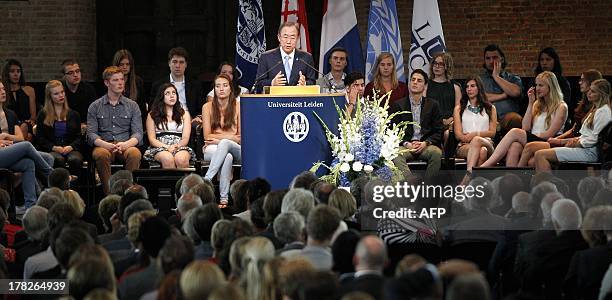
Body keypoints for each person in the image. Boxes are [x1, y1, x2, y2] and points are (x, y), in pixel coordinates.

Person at [481, 71, 567, 167]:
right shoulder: (537, 104)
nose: (537, 88)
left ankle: (486, 165)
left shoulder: (561, 106)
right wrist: (530, 103)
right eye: (536, 85)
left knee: (515, 132)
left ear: (550, 87)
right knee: (514, 146)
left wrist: (528, 135)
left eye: (541, 85)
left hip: (547, 142)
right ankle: (512, 179)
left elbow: (549, 134)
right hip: (534, 139)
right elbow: (525, 127)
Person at [87, 66, 143, 195]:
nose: (120, 83)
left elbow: (138, 133)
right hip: (104, 144)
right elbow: (91, 134)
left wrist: (125, 144)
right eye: (116, 80)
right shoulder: (95, 106)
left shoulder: (132, 105)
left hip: (125, 144)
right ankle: (110, 195)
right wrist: (106, 144)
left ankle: (127, 193)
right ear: (107, 83)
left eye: (122, 79)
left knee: (135, 153)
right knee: (101, 154)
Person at [534, 79, 611, 172]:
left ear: (602, 94)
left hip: (589, 152)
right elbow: (586, 136)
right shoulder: (596, 109)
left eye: (593, 91)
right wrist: (571, 141)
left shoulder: (603, 111)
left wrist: (577, 143)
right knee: (538, 155)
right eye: (590, 90)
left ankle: (548, 185)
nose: (589, 93)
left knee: (540, 154)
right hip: (585, 148)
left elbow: (595, 139)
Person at [0, 81, 53, 211]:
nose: (3, 92)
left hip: (9, 150)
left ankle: (31, 207)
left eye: (3, 89)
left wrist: (6, 137)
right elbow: (23, 142)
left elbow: (19, 138)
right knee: (26, 146)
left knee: (31, 162)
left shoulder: (10, 113)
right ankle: (51, 176)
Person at [390, 69, 443, 183]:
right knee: (395, 154)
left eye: (419, 81)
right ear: (409, 83)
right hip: (406, 146)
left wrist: (425, 143)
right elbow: (393, 131)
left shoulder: (433, 105)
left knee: (437, 153)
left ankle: (427, 187)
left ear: (425, 86)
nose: (415, 82)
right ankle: (411, 182)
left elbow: (438, 131)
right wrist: (406, 143)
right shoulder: (398, 105)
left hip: (425, 145)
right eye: (413, 80)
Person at [202, 74, 241, 206]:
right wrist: (230, 137)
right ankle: (224, 199)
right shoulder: (207, 107)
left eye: (225, 85)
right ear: (214, 89)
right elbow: (207, 136)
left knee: (225, 145)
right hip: (212, 148)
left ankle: (206, 179)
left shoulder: (239, 106)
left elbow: (240, 138)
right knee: (227, 157)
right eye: (217, 86)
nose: (221, 89)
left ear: (231, 88)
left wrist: (219, 140)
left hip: (236, 148)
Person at [34, 80, 83, 174]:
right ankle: (58, 187)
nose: (61, 95)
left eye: (62, 92)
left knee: (75, 160)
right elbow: (40, 138)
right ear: (50, 97)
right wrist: (54, 147)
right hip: (52, 149)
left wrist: (71, 146)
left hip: (70, 148)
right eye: (56, 94)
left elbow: (79, 137)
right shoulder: (43, 114)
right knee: (57, 160)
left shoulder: (74, 114)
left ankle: (73, 187)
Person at [453, 76, 497, 179]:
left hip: (487, 143)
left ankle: (467, 179)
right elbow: (458, 134)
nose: (469, 89)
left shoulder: (490, 108)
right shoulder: (459, 108)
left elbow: (492, 132)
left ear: (479, 88)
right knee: (482, 151)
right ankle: (478, 184)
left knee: (478, 141)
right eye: (467, 87)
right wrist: (469, 140)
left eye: (472, 86)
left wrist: (475, 135)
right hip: (464, 145)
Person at [254, 21, 316, 93]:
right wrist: (272, 83)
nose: (288, 41)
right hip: (273, 102)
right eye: (285, 37)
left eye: (292, 37)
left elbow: (312, 82)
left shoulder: (306, 58)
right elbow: (258, 84)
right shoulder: (266, 57)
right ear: (279, 38)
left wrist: (305, 84)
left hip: (298, 102)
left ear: (298, 38)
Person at [144, 83, 195, 168]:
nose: (172, 96)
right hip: (159, 146)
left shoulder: (185, 114)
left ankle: (183, 181)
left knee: (181, 159)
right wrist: (167, 147)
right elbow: (152, 139)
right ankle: (170, 182)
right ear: (161, 97)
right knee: (167, 158)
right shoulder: (152, 115)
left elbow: (185, 138)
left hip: (179, 146)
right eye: (167, 93)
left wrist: (176, 146)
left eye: (174, 93)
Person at [150, 47, 203, 125]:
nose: (178, 65)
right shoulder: (158, 85)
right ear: (169, 63)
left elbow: (200, 108)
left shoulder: (195, 85)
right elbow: (153, 108)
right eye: (174, 62)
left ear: (186, 64)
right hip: (166, 122)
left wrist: (197, 117)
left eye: (181, 62)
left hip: (190, 122)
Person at [479, 44, 523, 132]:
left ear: (501, 59)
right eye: (488, 58)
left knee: (515, 119)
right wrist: (504, 95)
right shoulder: (479, 79)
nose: (491, 61)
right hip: (485, 119)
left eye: (495, 57)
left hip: (507, 119)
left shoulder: (513, 78)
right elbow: (480, 97)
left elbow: (515, 92)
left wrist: (496, 76)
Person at [427, 52, 462, 144]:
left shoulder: (455, 87)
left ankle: (447, 157)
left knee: (448, 133)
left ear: (447, 67)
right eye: (435, 63)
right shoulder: (426, 85)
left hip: (450, 122)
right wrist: (439, 120)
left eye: (441, 64)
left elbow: (459, 109)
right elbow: (424, 108)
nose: (437, 66)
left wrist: (451, 119)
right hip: (432, 122)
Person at [1, 59, 36, 140]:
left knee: (25, 127)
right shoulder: (3, 92)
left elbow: (33, 116)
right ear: (7, 73)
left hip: (27, 123)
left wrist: (29, 122)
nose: (16, 74)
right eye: (12, 71)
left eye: (18, 71)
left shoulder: (29, 90)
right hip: (10, 124)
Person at [112, 49, 147, 124]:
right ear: (116, 65)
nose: (125, 67)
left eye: (127, 64)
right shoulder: (110, 81)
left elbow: (142, 108)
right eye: (121, 64)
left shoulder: (138, 82)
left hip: (134, 123)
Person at [61, 59, 97, 130]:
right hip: (65, 126)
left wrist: (86, 124)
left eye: (77, 71)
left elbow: (95, 112)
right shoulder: (60, 90)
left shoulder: (88, 88)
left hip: (86, 126)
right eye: (71, 73)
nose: (75, 75)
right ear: (64, 76)